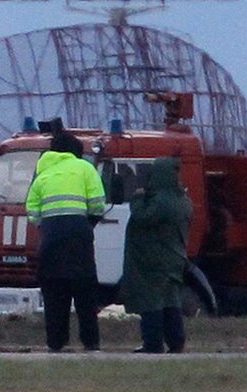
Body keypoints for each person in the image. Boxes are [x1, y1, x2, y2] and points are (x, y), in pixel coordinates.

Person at [25, 131, 106, 352]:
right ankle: (90, 342)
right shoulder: (85, 169)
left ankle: (56, 342)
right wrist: (88, 222)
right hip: (79, 235)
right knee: (85, 293)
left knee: (53, 294)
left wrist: (50, 223)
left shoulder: (43, 175)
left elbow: (32, 212)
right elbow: (98, 203)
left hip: (51, 238)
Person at [121, 157, 194, 353]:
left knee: (151, 301)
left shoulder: (160, 201)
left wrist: (136, 198)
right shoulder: (183, 200)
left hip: (154, 260)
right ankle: (176, 342)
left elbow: (142, 217)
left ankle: (152, 343)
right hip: (175, 258)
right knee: (171, 301)